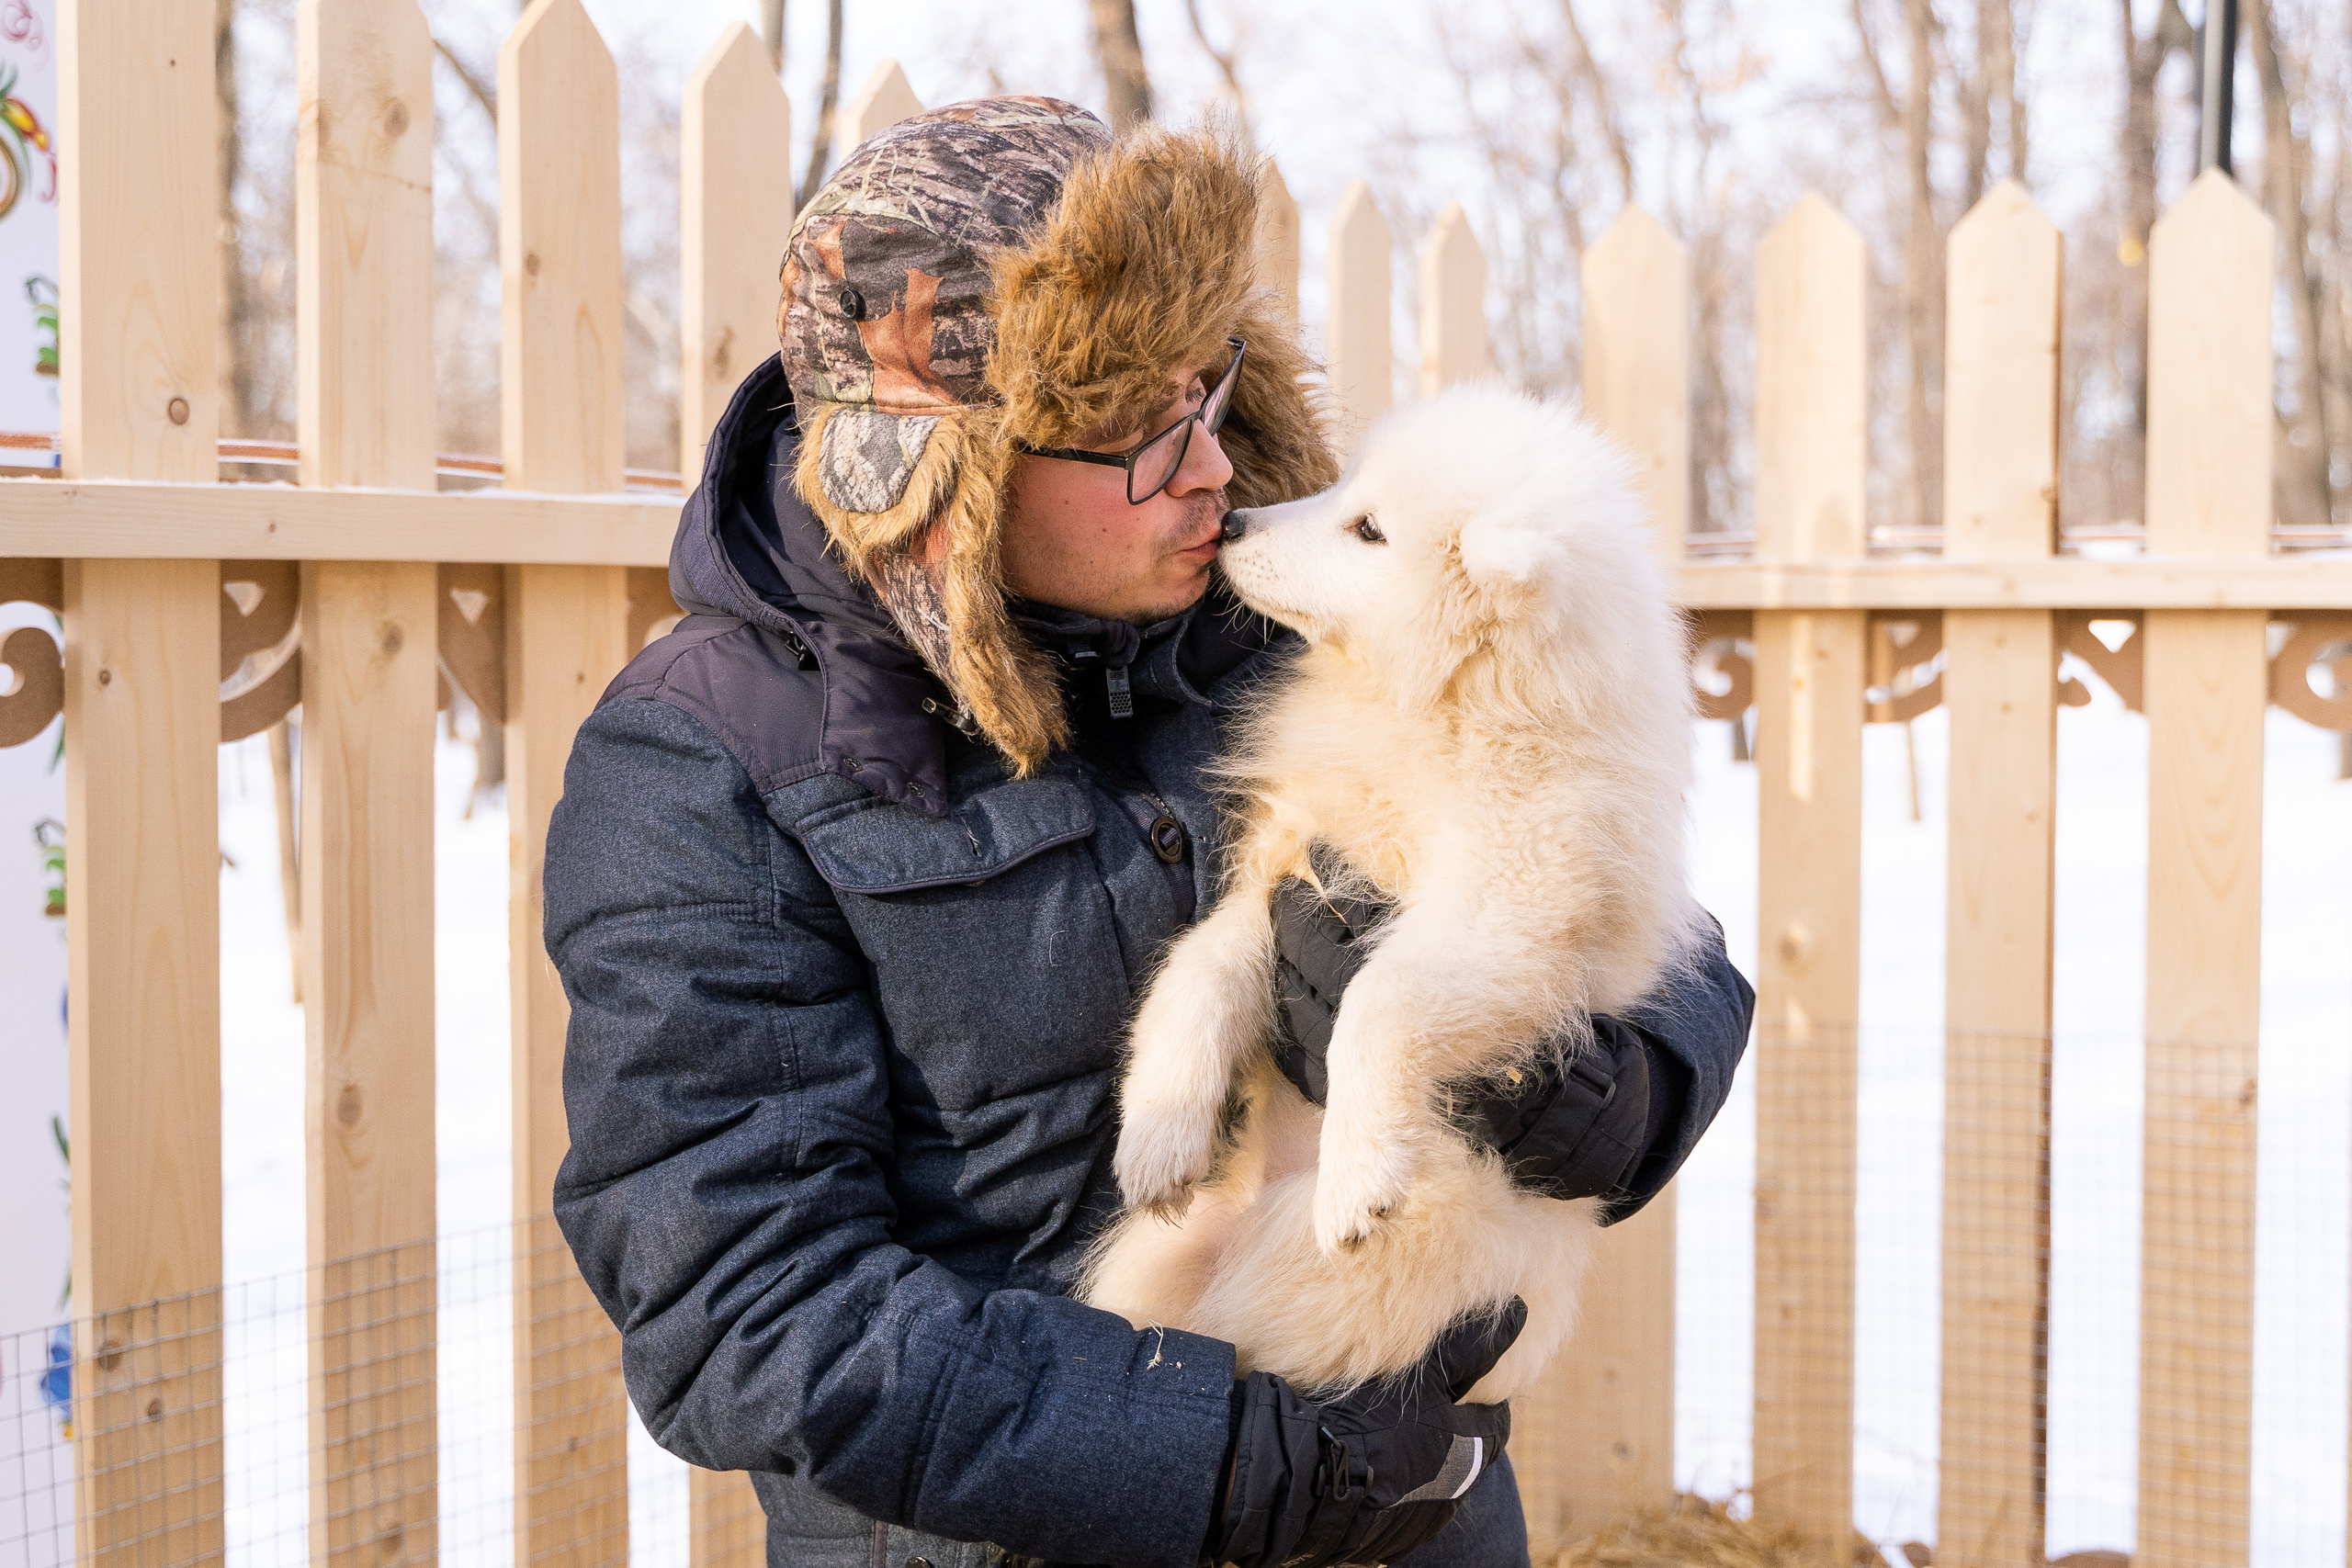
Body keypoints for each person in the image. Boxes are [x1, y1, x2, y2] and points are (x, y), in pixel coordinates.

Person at [544, 98, 1752, 1568]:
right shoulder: (706, 759)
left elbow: (1636, 898)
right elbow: (741, 1298)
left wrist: (1607, 1091)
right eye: (1130, 427)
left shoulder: (1282, 605)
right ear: (949, 463)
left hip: (1412, 1515)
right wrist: (1221, 1460)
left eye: (1206, 389)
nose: (1211, 469)